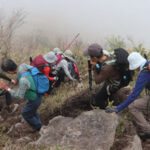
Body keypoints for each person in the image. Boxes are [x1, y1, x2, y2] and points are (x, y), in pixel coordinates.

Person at [106, 52, 150, 136]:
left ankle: (148, 130)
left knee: (133, 106)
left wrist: (118, 108)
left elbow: (133, 96)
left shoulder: (144, 74)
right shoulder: (148, 63)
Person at [84, 43, 133, 109]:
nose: (90, 58)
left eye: (90, 56)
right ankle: (113, 101)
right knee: (110, 94)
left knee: (98, 99)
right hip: (116, 78)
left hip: (114, 84)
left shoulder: (107, 68)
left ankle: (106, 111)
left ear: (95, 58)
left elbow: (97, 81)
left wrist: (93, 67)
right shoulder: (107, 54)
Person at [1, 59, 43, 131]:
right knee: (32, 110)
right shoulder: (23, 66)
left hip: (34, 98)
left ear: (9, 72)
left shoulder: (23, 80)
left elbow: (19, 96)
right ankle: (38, 121)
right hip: (38, 92)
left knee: (25, 113)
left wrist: (7, 89)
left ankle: (39, 127)